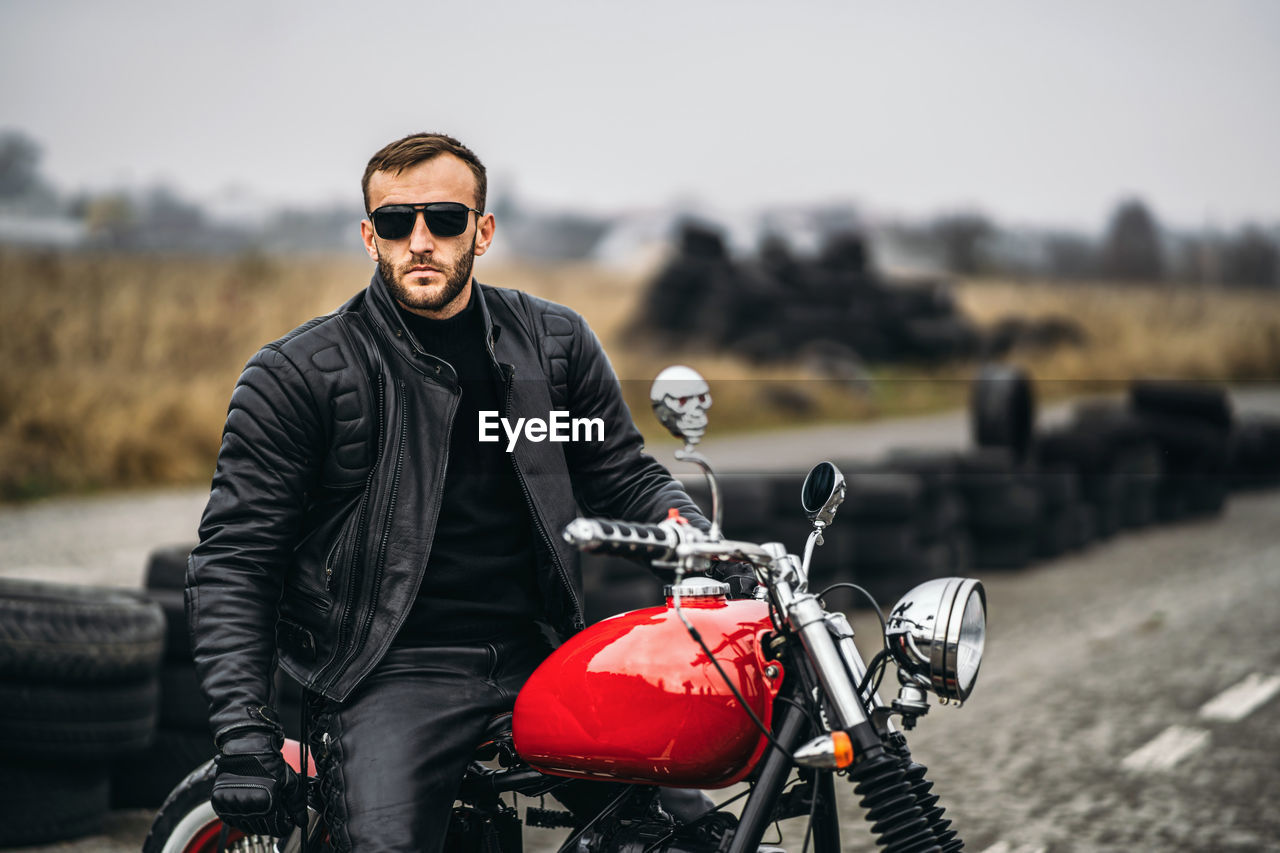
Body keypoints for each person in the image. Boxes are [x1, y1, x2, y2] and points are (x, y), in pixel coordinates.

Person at [186, 132, 708, 851]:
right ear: (370, 237)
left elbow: (621, 473)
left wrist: (703, 546)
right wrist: (243, 727)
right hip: (388, 668)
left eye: (445, 219)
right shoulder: (298, 374)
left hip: (543, 652)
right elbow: (236, 559)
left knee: (692, 831)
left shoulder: (553, 346)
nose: (420, 240)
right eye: (397, 223)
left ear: (482, 231)